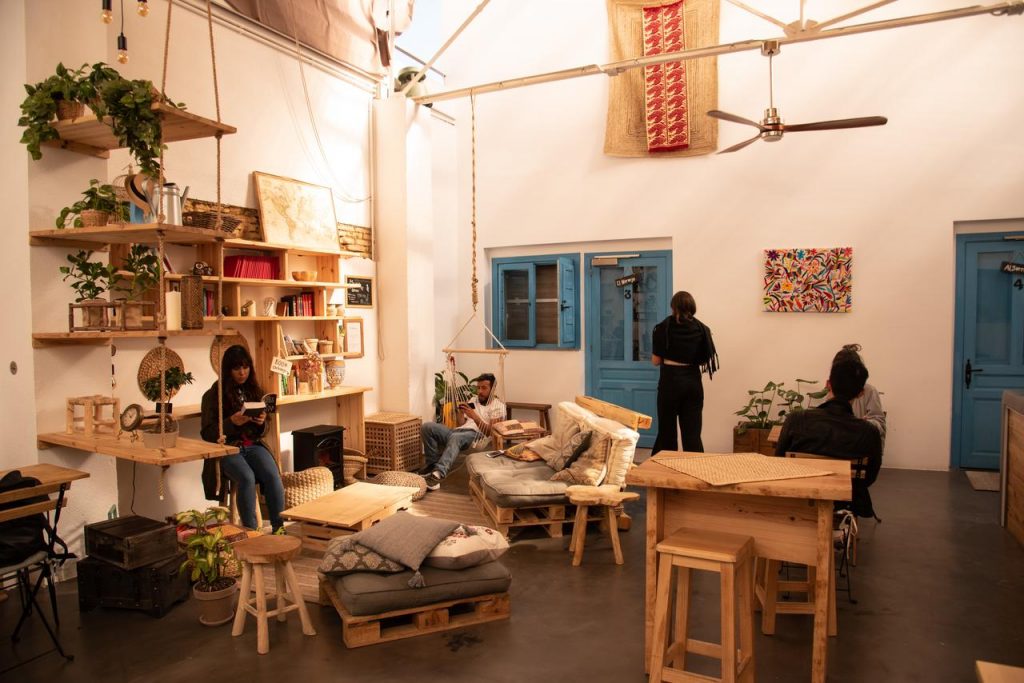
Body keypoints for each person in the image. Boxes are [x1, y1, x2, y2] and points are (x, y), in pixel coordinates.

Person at [775, 357, 883, 518]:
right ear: (861, 393)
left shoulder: (796, 420)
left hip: (800, 498)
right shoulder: (869, 432)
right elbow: (869, 478)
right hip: (846, 502)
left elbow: (779, 460)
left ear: (828, 384)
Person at [200, 344, 285, 532]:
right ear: (228, 370)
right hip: (228, 449)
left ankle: (279, 529)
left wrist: (261, 421)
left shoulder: (254, 390)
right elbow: (207, 432)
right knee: (246, 477)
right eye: (237, 368)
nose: (242, 373)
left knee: (273, 475)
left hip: (252, 445)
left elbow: (264, 428)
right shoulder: (213, 395)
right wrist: (231, 422)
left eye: (246, 367)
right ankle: (251, 532)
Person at [650, 291, 718, 454]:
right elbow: (704, 360)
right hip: (692, 383)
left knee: (667, 432)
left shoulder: (662, 328)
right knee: (692, 433)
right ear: (692, 307)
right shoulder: (702, 329)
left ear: (673, 307)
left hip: (670, 383)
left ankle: (666, 466)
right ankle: (694, 467)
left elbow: (656, 361)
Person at [420, 373, 506, 491]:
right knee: (427, 427)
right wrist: (460, 413)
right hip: (458, 432)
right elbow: (461, 424)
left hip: (477, 437)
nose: (480, 391)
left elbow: (490, 432)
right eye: (478, 387)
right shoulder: (473, 400)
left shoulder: (498, 407)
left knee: (456, 438)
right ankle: (431, 465)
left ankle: (437, 475)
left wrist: (474, 416)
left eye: (484, 388)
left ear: (493, 389)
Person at [832, 343, 886, 452]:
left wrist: (864, 424)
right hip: (836, 446)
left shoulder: (869, 391)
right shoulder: (831, 389)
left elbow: (879, 425)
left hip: (858, 446)